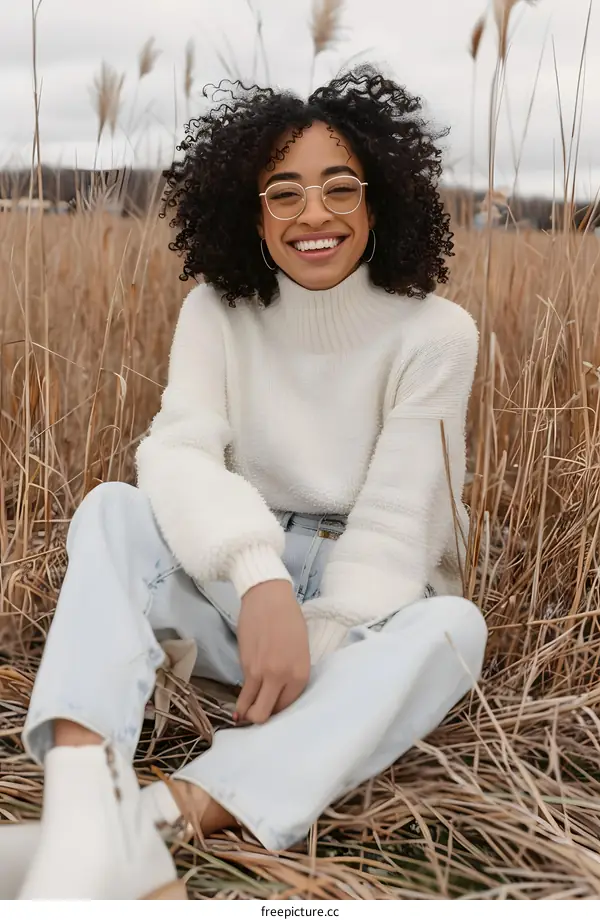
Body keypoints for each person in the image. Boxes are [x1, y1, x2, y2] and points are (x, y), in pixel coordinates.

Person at [1, 65, 487, 900]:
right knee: (113, 509)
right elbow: (179, 453)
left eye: (341, 188)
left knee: (454, 628)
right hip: (233, 582)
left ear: (379, 202)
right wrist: (258, 580)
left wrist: (318, 644)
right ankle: (83, 802)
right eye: (283, 192)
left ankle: (163, 816)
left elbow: (401, 523)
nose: (315, 216)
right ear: (251, 212)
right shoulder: (216, 312)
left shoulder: (437, 334)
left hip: (368, 612)